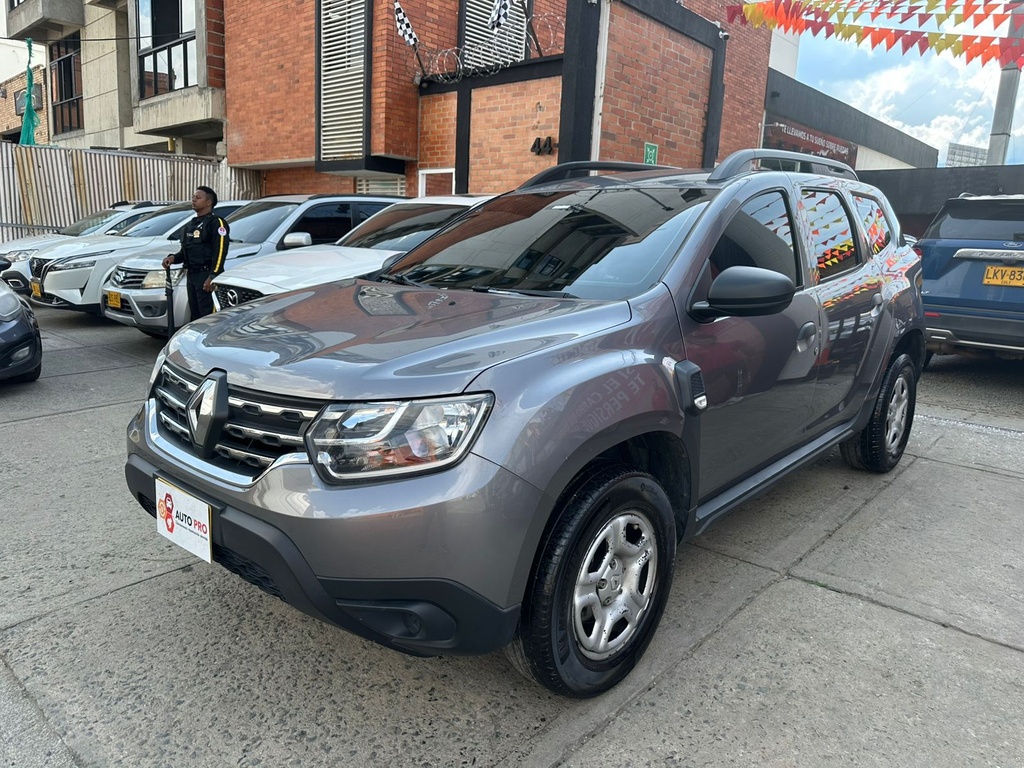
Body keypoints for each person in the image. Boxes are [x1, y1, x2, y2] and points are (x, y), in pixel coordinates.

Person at [162, 186, 229, 321]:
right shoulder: (191, 225)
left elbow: (220, 250)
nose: (193, 200)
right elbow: (186, 251)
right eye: (193, 197)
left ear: (208, 202)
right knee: (195, 315)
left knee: (208, 316)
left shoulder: (216, 223)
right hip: (192, 275)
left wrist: (213, 275)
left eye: (198, 198)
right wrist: (173, 258)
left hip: (206, 275)